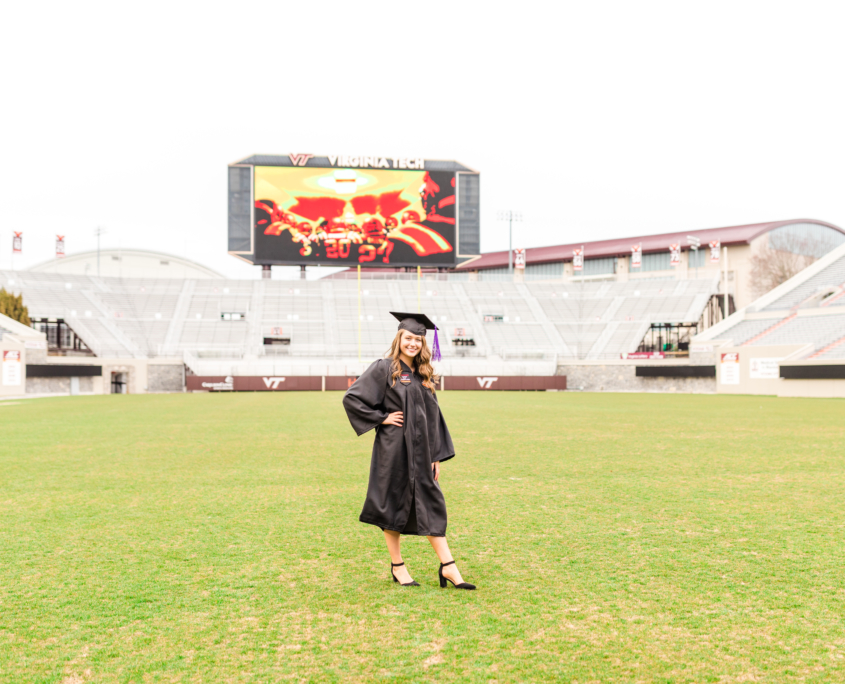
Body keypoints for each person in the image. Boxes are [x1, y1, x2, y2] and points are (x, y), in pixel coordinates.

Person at [342, 312, 475, 590]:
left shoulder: (423, 374)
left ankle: (448, 566)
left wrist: (436, 454)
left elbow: (434, 418)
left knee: (431, 503)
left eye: (418, 339)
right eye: (408, 338)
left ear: (423, 343)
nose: (412, 343)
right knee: (392, 503)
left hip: (422, 453)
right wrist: (382, 418)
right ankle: (398, 566)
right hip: (393, 450)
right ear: (399, 338)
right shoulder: (384, 368)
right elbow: (352, 397)